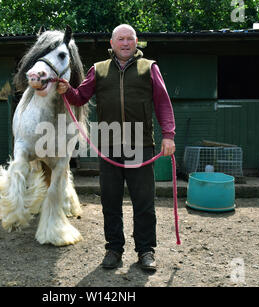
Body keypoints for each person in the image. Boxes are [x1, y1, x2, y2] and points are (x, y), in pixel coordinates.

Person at [57, 24, 175, 272]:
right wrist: (67, 90)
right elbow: (80, 98)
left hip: (140, 144)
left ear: (136, 43)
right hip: (108, 146)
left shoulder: (149, 67)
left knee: (143, 202)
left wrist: (168, 135)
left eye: (129, 39)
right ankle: (114, 249)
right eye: (120, 39)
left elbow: (163, 103)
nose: (125, 43)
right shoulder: (98, 70)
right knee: (111, 201)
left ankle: (145, 251)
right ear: (111, 43)